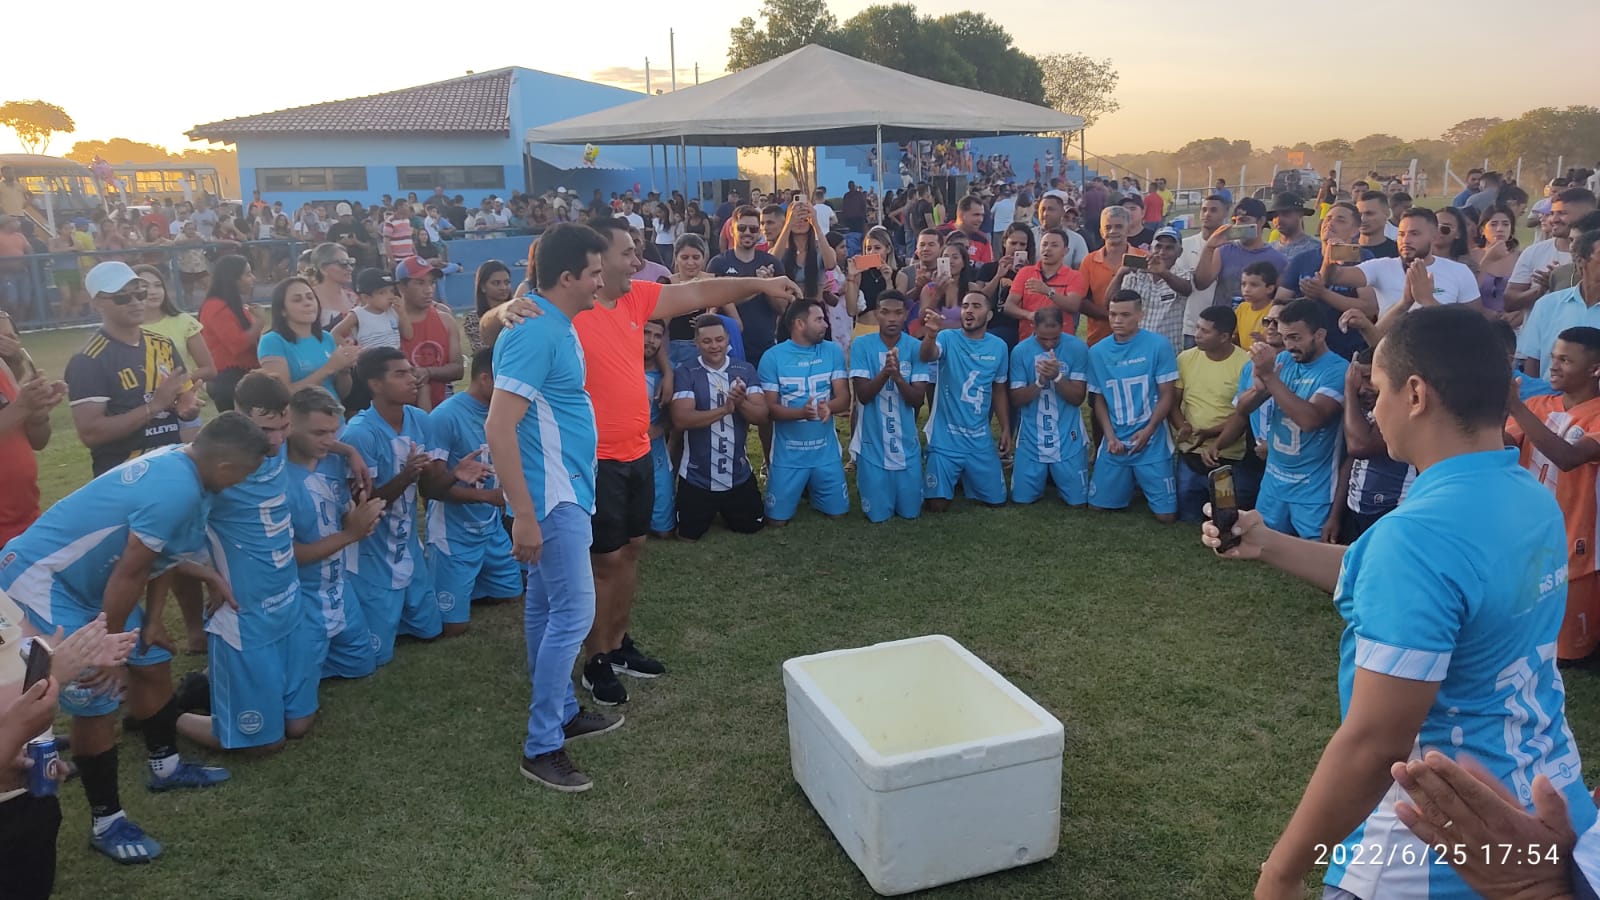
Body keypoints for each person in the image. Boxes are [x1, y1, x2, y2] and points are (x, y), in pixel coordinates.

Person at [1204, 305, 1598, 900]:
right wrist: (1269, 545)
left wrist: (1283, 872)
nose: (1374, 407)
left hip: (1434, 850)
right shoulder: (1526, 493)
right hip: (1547, 809)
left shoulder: (1416, 538)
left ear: (1415, 394)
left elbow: (1375, 743)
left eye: (1378, 391)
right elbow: (1424, 586)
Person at [0, 414, 269, 863]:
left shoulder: (189, 469)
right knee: (98, 692)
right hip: (43, 579)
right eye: (245, 473)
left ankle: (164, 767)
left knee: (150, 657)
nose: (246, 481)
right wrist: (109, 655)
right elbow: (130, 571)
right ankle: (107, 821)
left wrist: (149, 624)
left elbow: (158, 559)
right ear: (225, 467)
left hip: (91, 585)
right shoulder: (177, 489)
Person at [484, 223, 623, 792]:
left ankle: (563, 710)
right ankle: (542, 744)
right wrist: (523, 513)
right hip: (550, 497)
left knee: (546, 608)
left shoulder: (549, 320)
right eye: (594, 272)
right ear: (567, 277)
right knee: (573, 615)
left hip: (564, 489)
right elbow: (498, 425)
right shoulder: (537, 332)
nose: (601, 280)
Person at [172, 374, 319, 753]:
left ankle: (212, 686)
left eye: (284, 426)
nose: (276, 439)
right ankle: (163, 711)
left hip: (288, 602)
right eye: (266, 429)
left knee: (299, 725)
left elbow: (317, 439)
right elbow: (164, 548)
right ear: (238, 416)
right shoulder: (210, 467)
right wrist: (208, 576)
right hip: (244, 614)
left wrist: (348, 453)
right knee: (263, 746)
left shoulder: (280, 446)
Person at [340, 348, 455, 666]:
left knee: (431, 631)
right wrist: (406, 475)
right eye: (400, 374)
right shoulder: (360, 433)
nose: (413, 379)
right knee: (376, 655)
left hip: (408, 545)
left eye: (411, 371)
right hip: (371, 553)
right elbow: (364, 504)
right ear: (376, 384)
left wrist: (454, 474)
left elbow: (431, 490)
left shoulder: (420, 419)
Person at [1504, 326, 1600, 662]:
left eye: (1565, 359)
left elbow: (1570, 458)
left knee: (1569, 655)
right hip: (1530, 527)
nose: (1553, 365)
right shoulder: (1537, 404)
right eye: (1553, 356)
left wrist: (1515, 408)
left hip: (1579, 537)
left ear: (1595, 369)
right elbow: (1504, 446)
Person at [67, 262, 201, 477]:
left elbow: (183, 399)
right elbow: (91, 432)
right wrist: (154, 407)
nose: (136, 302)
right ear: (97, 303)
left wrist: (187, 407)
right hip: (124, 475)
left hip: (170, 465)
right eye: (122, 297)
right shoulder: (89, 359)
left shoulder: (163, 344)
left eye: (140, 294)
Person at [283, 386, 380, 681]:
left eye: (333, 432)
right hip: (301, 598)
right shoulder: (274, 479)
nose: (329, 440)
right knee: (293, 706)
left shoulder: (334, 459)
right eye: (318, 433)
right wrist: (353, 533)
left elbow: (340, 513)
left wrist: (359, 515)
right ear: (289, 425)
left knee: (362, 665)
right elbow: (287, 556)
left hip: (338, 588)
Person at [1232, 298, 1348, 539]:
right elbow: (1243, 409)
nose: (1289, 345)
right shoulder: (1283, 361)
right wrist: (1259, 386)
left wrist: (1270, 378)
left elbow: (1311, 421)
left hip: (1314, 488)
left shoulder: (1337, 369)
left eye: (1296, 337)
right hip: (1274, 481)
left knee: (1315, 561)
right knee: (1263, 551)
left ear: (1319, 335)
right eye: (1285, 338)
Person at [427, 347, 524, 636]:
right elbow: (432, 488)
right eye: (508, 382)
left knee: (511, 594)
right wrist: (489, 497)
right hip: (453, 532)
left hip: (489, 528)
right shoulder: (444, 416)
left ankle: (470, 580)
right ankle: (439, 569)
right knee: (453, 627)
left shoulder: (507, 412)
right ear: (485, 379)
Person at [671, 315, 769, 539]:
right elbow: (681, 419)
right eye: (707, 341)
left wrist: (741, 402)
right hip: (697, 477)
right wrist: (724, 410)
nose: (714, 346)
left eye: (719, 340)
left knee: (752, 527)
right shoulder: (686, 372)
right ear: (696, 343)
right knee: (687, 536)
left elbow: (762, 416)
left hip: (738, 476)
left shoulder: (744, 370)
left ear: (727, 340)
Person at [1087, 290, 1178, 522]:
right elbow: (1099, 399)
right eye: (1113, 314)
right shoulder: (1097, 351)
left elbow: (1167, 395)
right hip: (1116, 439)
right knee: (1098, 507)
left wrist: (1148, 431)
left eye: (1125, 315)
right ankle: (1126, 479)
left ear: (1141, 315)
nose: (1117, 321)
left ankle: (1142, 476)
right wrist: (1109, 437)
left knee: (1166, 516)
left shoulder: (1159, 345)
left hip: (1151, 439)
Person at [761, 299, 851, 524]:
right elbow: (768, 410)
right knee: (776, 521)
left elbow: (844, 399)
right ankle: (796, 486)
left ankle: (814, 489)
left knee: (839, 514)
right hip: (788, 454)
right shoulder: (772, 357)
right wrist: (801, 413)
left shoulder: (832, 351)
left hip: (825, 453)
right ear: (799, 324)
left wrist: (828, 407)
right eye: (819, 319)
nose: (825, 325)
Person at [919, 292, 1010, 511]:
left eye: (976, 306)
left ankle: (965, 474)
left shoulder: (999, 347)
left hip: (978, 439)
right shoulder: (947, 338)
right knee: (936, 505)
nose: (969, 310)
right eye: (966, 306)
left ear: (988, 315)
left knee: (996, 501)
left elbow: (998, 390)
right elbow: (927, 355)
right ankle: (952, 471)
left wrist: (1006, 428)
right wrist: (930, 335)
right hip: (945, 438)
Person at [1328, 207, 1483, 330]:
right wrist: (1330, 254)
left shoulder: (1459, 271)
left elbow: (1474, 325)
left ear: (1434, 236)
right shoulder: (1381, 266)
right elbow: (1335, 276)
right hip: (1390, 360)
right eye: (1401, 234)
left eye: (1414, 234)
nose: (1406, 240)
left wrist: (1427, 300)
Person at [849, 291, 929, 523]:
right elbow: (863, 396)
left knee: (911, 513)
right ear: (876, 314)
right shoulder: (862, 345)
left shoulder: (915, 347)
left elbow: (917, 400)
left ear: (906, 315)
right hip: (873, 447)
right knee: (877, 516)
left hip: (906, 447)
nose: (892, 318)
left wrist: (898, 378)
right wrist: (885, 373)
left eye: (898, 313)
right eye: (885, 312)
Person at [1326, 348, 1414, 545]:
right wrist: (1335, 516)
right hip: (1355, 507)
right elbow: (1352, 459)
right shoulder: (1361, 411)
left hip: (1392, 509)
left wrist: (1348, 389)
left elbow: (1359, 446)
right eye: (1357, 380)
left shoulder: (1401, 412)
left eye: (1368, 378)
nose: (1361, 388)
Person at [1171, 306, 1248, 522]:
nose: (1197, 335)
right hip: (1190, 451)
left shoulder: (1245, 364)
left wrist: (1212, 435)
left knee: (1225, 518)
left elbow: (1243, 415)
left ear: (1225, 336)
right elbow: (1173, 403)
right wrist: (1182, 425)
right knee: (1187, 515)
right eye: (1197, 328)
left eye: (1205, 331)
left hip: (1226, 454)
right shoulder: (1185, 358)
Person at [1008, 305, 1088, 506]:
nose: (1050, 344)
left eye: (1055, 338)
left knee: (1078, 502)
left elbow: (1078, 398)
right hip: (1031, 439)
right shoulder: (1020, 352)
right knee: (1021, 500)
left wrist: (1057, 377)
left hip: (1068, 438)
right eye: (1043, 339)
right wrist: (1040, 382)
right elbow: (1016, 399)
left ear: (1063, 327)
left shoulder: (1077, 348)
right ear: (1033, 327)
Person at [1283, 202, 1376, 360]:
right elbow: (1281, 301)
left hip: (1347, 348)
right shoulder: (1302, 260)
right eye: (1327, 219)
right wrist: (1305, 299)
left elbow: (1369, 308)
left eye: (1340, 220)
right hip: (1306, 350)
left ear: (1355, 230)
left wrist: (1322, 293)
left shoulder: (1363, 258)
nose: (1330, 223)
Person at [706, 206, 787, 368]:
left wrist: (769, 288)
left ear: (759, 232)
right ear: (732, 229)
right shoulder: (718, 263)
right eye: (742, 228)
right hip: (727, 348)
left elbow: (781, 308)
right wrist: (759, 285)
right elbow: (711, 306)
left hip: (764, 347)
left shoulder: (772, 263)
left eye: (753, 228)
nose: (748, 232)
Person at [1517, 229, 1600, 378]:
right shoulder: (1547, 305)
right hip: (1548, 397)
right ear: (1581, 260)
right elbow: (1533, 363)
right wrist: (1535, 399)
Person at [259, 277, 358, 398]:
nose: (307, 303)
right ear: (282, 310)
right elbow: (282, 396)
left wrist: (344, 370)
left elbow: (342, 393)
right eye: (297, 300)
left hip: (334, 414)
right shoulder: (272, 341)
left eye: (310, 297)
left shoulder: (326, 337)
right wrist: (329, 368)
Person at [1507, 188, 1598, 315]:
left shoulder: (1595, 257)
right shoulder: (1534, 252)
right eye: (1552, 213)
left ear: (1588, 214)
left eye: (1562, 213)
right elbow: (1509, 302)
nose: (1553, 220)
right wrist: (1541, 289)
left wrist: (1565, 280)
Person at [1193, 198, 1289, 315]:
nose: (1238, 225)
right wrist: (1208, 248)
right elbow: (1201, 283)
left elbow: (1280, 301)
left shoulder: (1278, 259)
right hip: (1223, 323)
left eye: (1244, 220)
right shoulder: (1224, 250)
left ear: (1261, 221)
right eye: (1235, 221)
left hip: (1255, 325)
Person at [1107, 226, 1191, 356]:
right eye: (1158, 247)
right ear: (1151, 248)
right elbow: (1109, 303)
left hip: (1167, 352)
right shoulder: (1135, 274)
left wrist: (1164, 273)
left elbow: (1186, 290)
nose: (1162, 252)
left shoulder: (1182, 275)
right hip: (1135, 350)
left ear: (1179, 252)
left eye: (1169, 248)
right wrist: (1120, 274)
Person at [394, 256, 463, 411]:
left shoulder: (446, 321)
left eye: (431, 282)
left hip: (440, 409)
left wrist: (428, 372)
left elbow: (458, 369)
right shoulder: (388, 322)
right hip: (398, 415)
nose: (429, 289)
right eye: (420, 283)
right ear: (401, 288)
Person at [198, 255, 264, 411]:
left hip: (244, 376)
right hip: (229, 380)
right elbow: (236, 344)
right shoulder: (216, 307)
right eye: (247, 274)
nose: (253, 278)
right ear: (233, 279)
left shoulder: (234, 305)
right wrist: (259, 323)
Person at [135, 264, 217, 383]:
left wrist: (178, 383)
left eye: (158, 285)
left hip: (187, 396)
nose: (153, 292)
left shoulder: (184, 321)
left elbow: (209, 369)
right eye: (144, 286)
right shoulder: (126, 329)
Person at [1005, 228, 1087, 342]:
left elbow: (1073, 306)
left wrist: (1048, 292)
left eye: (1054, 245)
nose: (1048, 249)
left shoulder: (1074, 276)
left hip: (1062, 340)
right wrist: (1028, 315)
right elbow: (1009, 306)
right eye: (1044, 244)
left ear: (1065, 251)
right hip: (1029, 339)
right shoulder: (1025, 272)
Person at [1079, 207, 1142, 345]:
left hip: (1137, 338)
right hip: (1098, 338)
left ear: (1129, 229)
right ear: (1101, 232)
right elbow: (1082, 301)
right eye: (1108, 227)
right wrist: (1111, 316)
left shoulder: (1142, 258)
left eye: (1118, 226)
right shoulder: (1089, 261)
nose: (1113, 231)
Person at [641, 321, 677, 538]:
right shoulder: (618, 365)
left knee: (664, 531)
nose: (651, 340)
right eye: (646, 333)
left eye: (657, 336)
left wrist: (661, 427)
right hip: (618, 449)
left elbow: (677, 416)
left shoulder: (668, 373)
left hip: (654, 448)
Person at [1181, 195, 1229, 348]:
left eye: (1213, 210)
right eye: (1204, 210)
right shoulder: (1184, 246)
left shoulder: (1233, 246)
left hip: (1224, 327)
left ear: (1225, 213)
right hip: (1193, 325)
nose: (1207, 214)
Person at [332, 267, 415, 352]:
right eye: (382, 292)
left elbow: (408, 335)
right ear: (366, 297)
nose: (390, 296)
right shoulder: (358, 314)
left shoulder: (393, 311)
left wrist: (402, 313)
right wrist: (351, 350)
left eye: (391, 291)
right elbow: (334, 333)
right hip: (372, 361)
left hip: (395, 358)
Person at [1471, 204, 1522, 316]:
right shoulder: (1471, 257)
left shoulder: (1521, 258)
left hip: (1515, 322)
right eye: (1493, 224)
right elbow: (1467, 293)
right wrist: (1487, 260)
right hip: (1478, 320)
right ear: (1482, 230)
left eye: (1505, 224)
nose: (1500, 229)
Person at [1354, 191, 1400, 259]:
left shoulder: (1398, 253)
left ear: (1387, 213)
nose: (1363, 219)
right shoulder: (1345, 250)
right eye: (1359, 214)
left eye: (1369, 214)